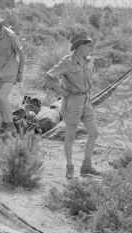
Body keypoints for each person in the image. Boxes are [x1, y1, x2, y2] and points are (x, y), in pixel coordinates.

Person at [43, 32, 100, 180]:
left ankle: (86, 166)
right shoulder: (67, 62)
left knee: (94, 132)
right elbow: (49, 75)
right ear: (80, 47)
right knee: (70, 137)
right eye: (88, 46)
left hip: (87, 101)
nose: (91, 48)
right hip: (73, 102)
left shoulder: (89, 61)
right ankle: (69, 168)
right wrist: (61, 91)